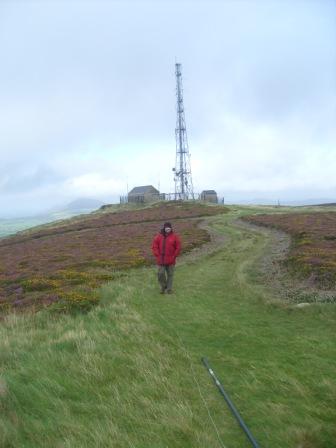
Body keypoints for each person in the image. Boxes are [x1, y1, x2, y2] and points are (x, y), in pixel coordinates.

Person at [152, 222, 181, 294]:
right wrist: (157, 254)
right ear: (164, 228)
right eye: (166, 228)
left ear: (171, 228)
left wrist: (174, 255)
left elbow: (178, 247)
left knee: (170, 275)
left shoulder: (175, 237)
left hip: (171, 260)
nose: (168, 229)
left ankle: (169, 289)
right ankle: (164, 286)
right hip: (161, 260)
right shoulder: (158, 237)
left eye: (169, 228)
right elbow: (154, 246)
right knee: (160, 274)